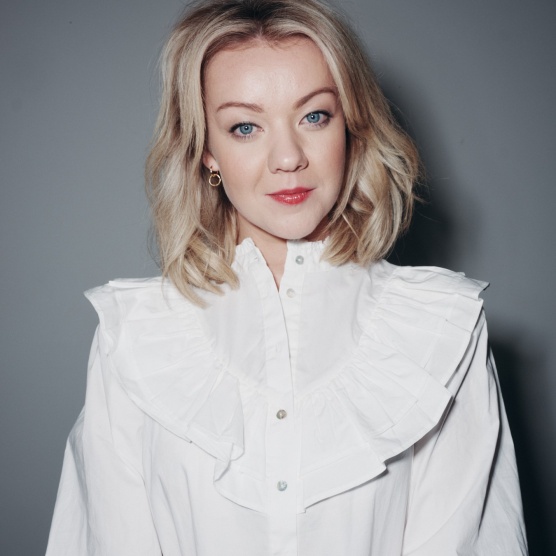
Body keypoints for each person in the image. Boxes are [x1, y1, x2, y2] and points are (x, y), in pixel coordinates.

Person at [46, 0, 528, 554]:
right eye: (245, 126)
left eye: (314, 116)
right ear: (206, 151)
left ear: (351, 126)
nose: (288, 157)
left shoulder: (444, 332)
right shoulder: (134, 339)